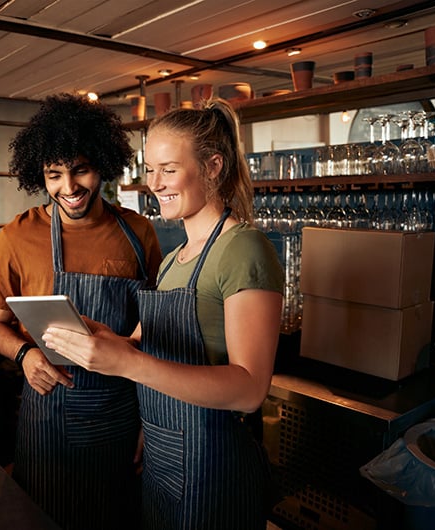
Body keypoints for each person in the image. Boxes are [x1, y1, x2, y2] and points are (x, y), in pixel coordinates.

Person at [42, 98, 284, 530]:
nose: (154, 183)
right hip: (162, 455)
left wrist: (128, 362)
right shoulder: (174, 259)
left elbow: (249, 388)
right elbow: (142, 346)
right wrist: (102, 338)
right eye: (149, 169)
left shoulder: (244, 249)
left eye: (168, 170)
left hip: (215, 464)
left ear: (212, 166)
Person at [0, 93, 163, 530]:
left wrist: (151, 424)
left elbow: (156, 331)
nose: (69, 187)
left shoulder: (138, 233)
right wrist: (25, 356)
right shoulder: (16, 237)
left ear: (101, 163)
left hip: (122, 415)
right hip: (48, 419)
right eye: (54, 174)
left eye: (80, 169)